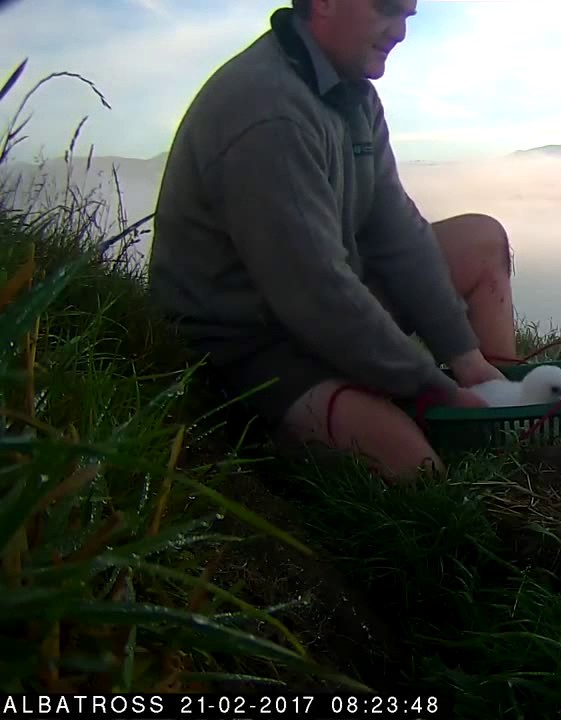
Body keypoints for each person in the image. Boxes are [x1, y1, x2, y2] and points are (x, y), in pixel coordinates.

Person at [147, 0, 517, 483]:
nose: (400, 32)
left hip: (318, 303)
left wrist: (464, 357)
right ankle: (270, 444)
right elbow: (317, 295)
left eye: (409, 14)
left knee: (481, 240)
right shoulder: (267, 111)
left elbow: (398, 232)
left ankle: (505, 412)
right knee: (416, 469)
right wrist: (430, 388)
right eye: (387, 9)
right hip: (244, 347)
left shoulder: (353, 92)